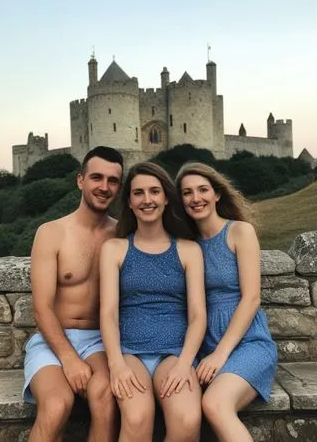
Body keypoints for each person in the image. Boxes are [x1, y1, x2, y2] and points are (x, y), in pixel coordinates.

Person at [100, 162, 207, 442]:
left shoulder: (188, 250)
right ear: (130, 203)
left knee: (187, 419)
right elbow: (108, 312)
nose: (147, 199)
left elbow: (197, 316)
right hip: (129, 352)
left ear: (166, 197)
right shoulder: (114, 249)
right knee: (137, 418)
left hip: (174, 353)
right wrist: (116, 365)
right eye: (138, 193)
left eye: (154, 191)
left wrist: (185, 364)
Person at [23, 146, 123, 442]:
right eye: (96, 177)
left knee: (105, 396)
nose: (104, 187)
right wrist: (68, 357)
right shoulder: (51, 232)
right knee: (56, 405)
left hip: (99, 341)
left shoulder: (122, 236)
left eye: (113, 181)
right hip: (53, 339)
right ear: (81, 180)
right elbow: (41, 308)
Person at [176, 162, 278, 442]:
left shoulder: (239, 232)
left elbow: (252, 297)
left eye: (203, 190)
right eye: (187, 193)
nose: (196, 198)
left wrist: (221, 354)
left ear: (217, 194)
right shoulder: (186, 243)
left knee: (215, 404)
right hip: (204, 346)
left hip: (247, 343)